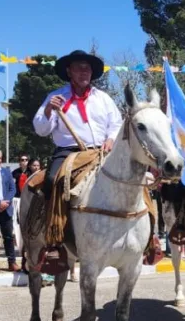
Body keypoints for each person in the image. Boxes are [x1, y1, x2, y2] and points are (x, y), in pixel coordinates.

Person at [32, 50, 123, 268]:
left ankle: (147, 237)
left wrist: (111, 140)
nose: (84, 72)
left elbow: (117, 124)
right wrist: (47, 111)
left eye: (87, 68)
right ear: (69, 71)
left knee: (137, 177)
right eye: (79, 67)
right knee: (53, 179)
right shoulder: (56, 97)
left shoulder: (104, 99)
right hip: (69, 152)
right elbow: (41, 129)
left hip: (102, 151)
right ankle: (54, 241)